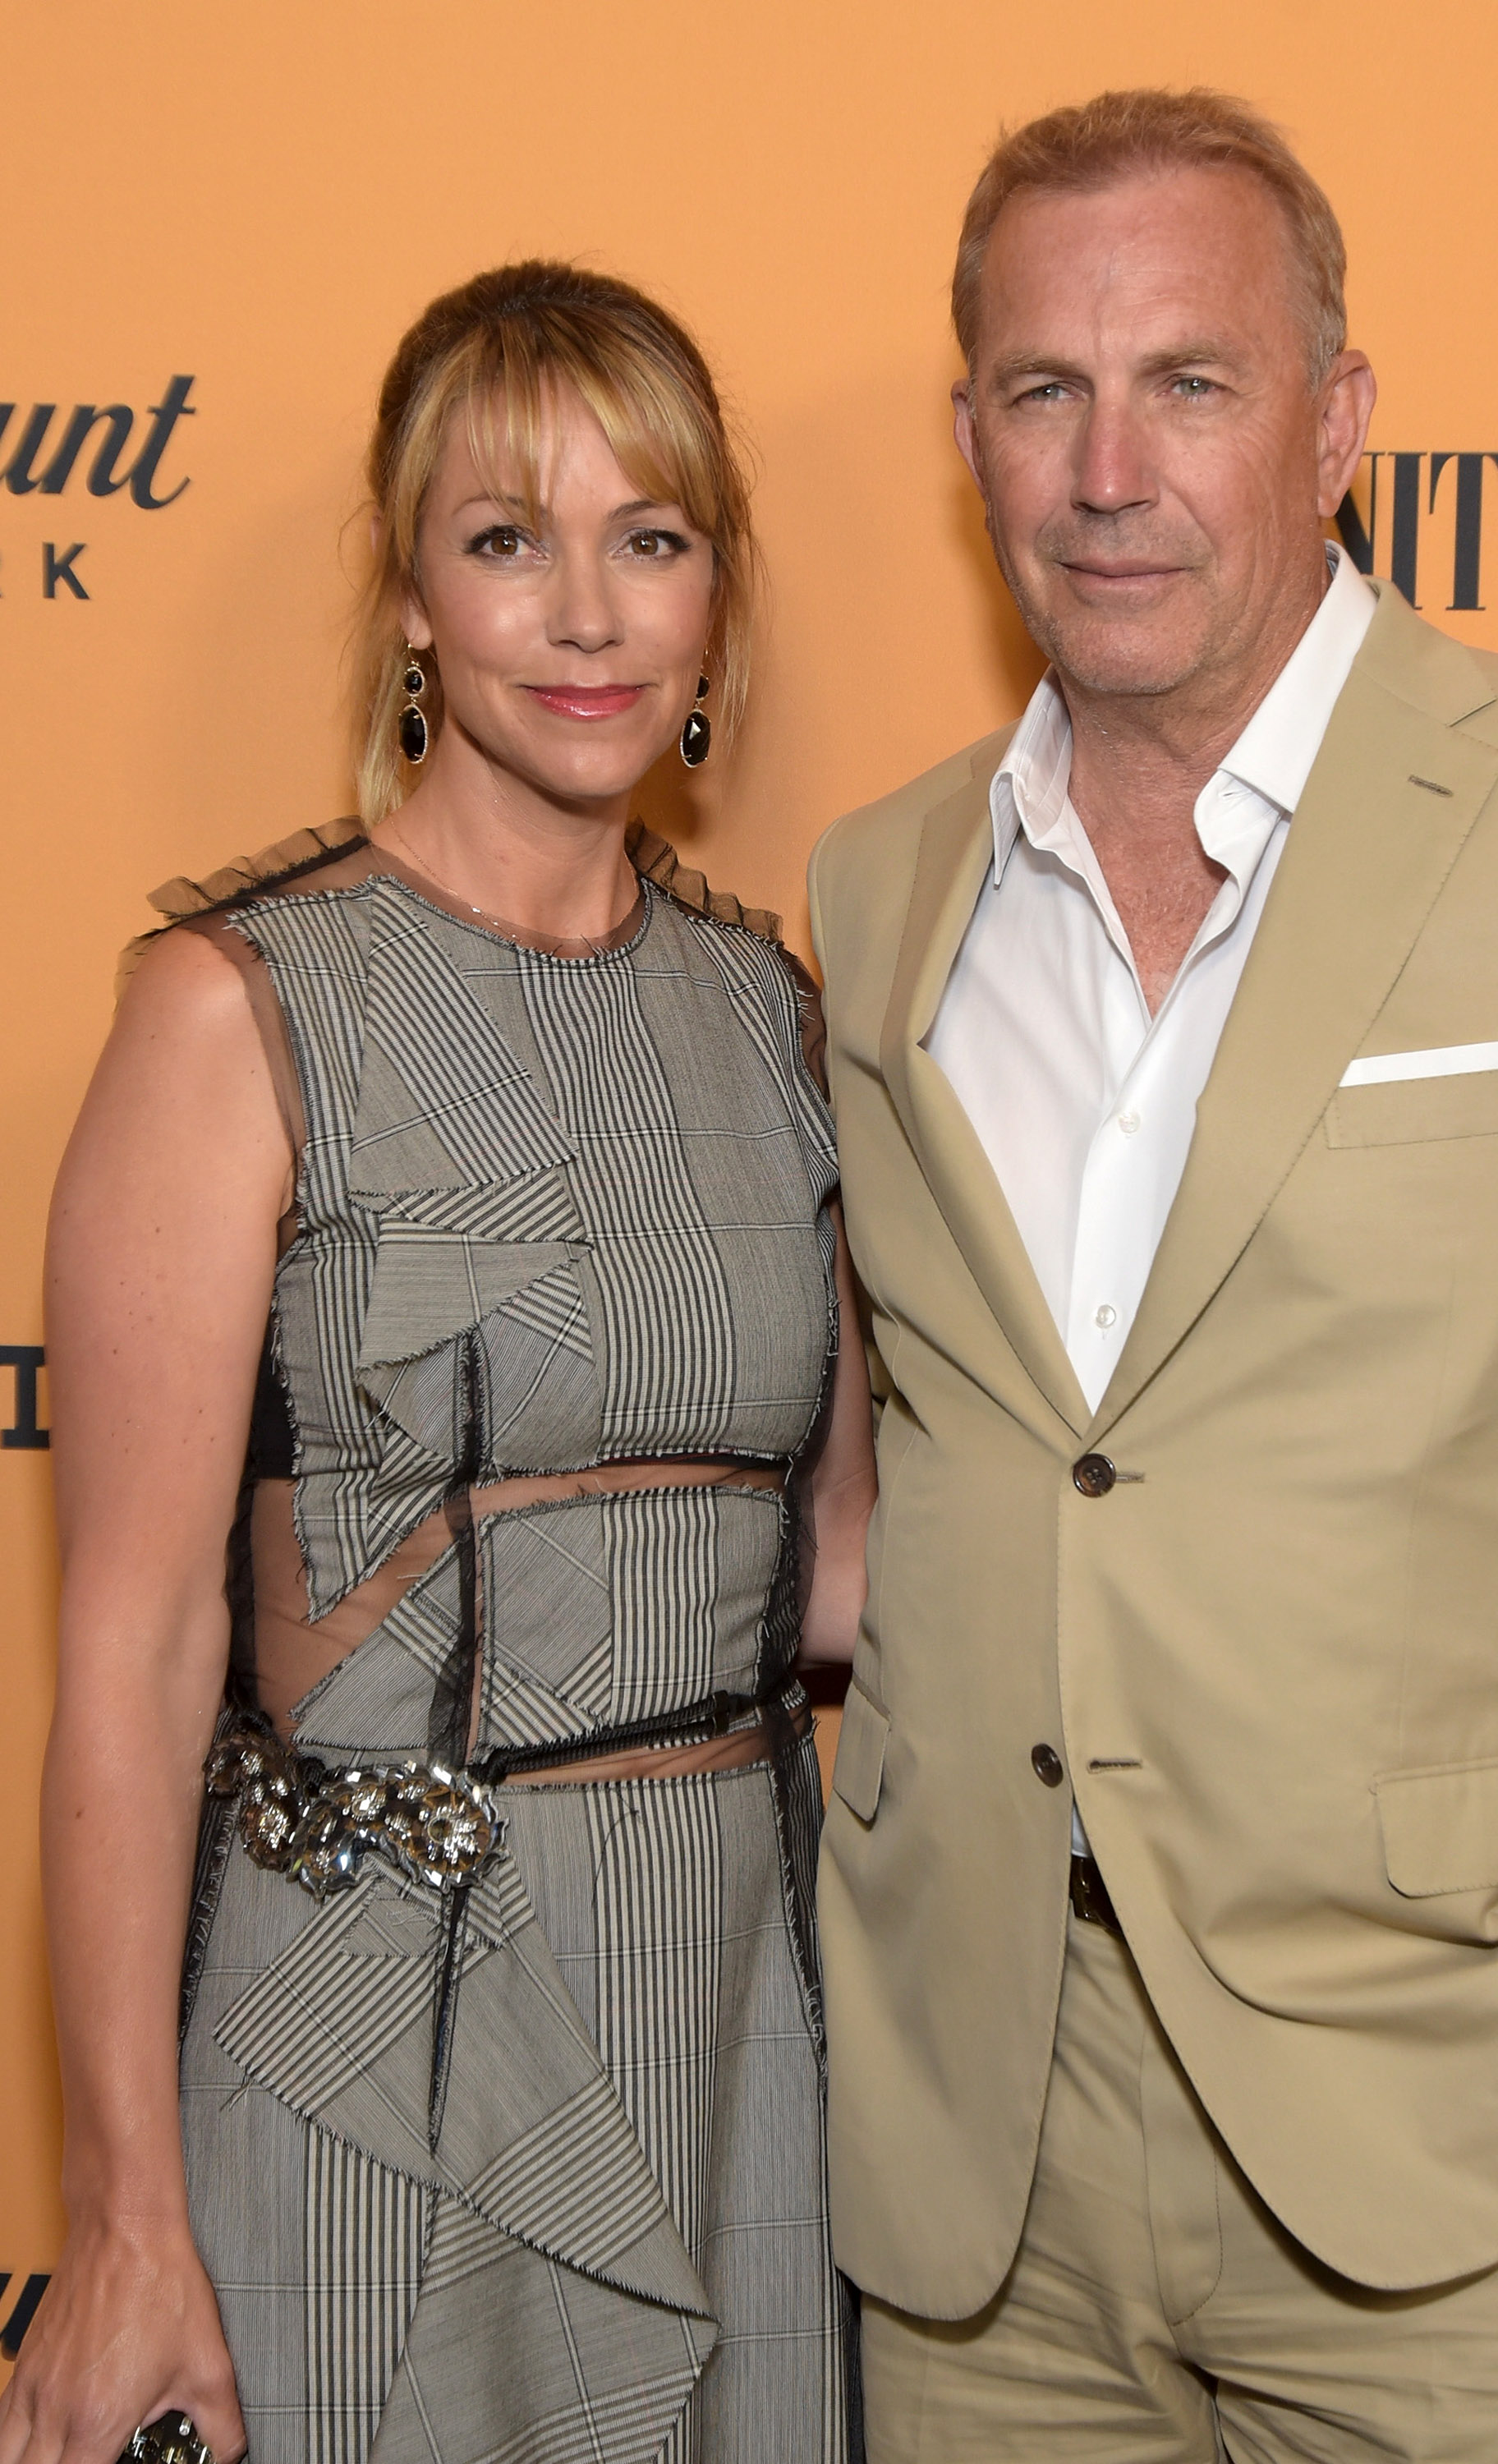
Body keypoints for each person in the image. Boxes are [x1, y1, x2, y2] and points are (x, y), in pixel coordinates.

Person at [809, 85, 1498, 2463]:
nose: (1106, 467)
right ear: (970, 437)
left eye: (1191, 382)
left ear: (1335, 422)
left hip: (1468, 2165)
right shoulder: (877, 892)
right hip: (977, 2173)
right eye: (1043, 389)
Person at [5, 260, 871, 2464]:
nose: (584, 615)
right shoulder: (241, 1009)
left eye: (646, 539)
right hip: (365, 2028)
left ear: (709, 604)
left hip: (733, 2027)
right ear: (409, 601)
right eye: (506, 541)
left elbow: (841, 1572)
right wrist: (119, 2223)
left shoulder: (777, 1017)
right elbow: (127, 1645)